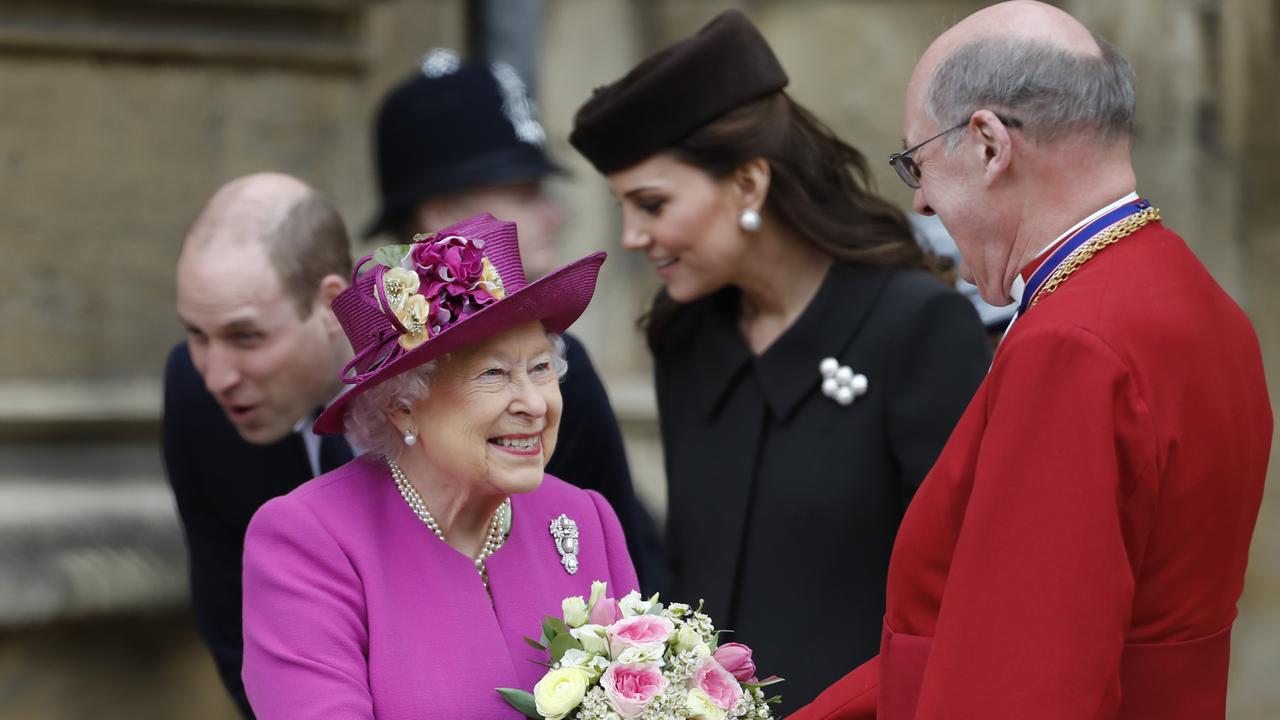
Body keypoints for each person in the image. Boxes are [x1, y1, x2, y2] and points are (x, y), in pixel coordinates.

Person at [793, 3, 1272, 718]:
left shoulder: (1071, 345)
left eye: (916, 163)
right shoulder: (1201, 302)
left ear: (988, 145)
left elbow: (1020, 682)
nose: (921, 202)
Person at [569, 10, 991, 712]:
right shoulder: (686, 338)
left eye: (652, 203)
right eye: (623, 207)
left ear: (748, 185)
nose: (633, 236)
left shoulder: (917, 326)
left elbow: (967, 595)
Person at [240, 213, 638, 718]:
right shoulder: (309, 541)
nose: (535, 404)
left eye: (540, 368)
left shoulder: (584, 517)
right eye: (494, 374)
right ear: (403, 404)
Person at [366, 48, 666, 593]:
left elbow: (622, 563)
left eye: (536, 369)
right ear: (440, 214)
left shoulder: (564, 364)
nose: (555, 213)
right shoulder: (363, 357)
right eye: (526, 192)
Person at [164, 172, 355, 717]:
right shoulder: (192, 392)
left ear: (332, 305)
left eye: (246, 336)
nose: (216, 376)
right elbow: (232, 622)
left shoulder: (492, 382)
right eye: (196, 335)